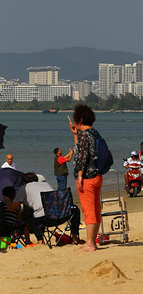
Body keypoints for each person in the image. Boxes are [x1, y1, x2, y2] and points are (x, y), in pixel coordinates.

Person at [69, 103, 104, 251]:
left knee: (89, 211)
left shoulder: (85, 135)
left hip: (87, 177)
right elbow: (80, 150)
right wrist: (75, 134)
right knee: (95, 210)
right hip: (97, 175)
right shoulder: (94, 133)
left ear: (80, 120)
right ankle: (92, 242)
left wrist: (79, 175)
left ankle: (90, 244)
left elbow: (82, 156)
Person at [15, 173, 82, 245]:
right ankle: (75, 236)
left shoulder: (25, 187)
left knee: (32, 212)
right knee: (75, 209)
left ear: (23, 182)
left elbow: (13, 207)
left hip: (44, 220)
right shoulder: (45, 184)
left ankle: (40, 239)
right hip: (61, 216)